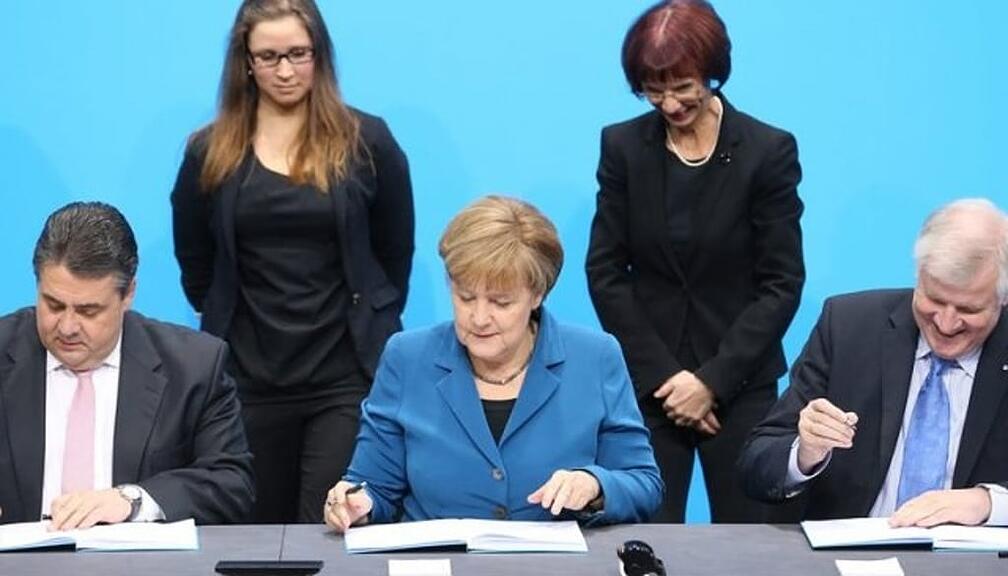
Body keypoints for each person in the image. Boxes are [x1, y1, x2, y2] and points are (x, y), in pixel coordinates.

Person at [170, 0, 414, 523]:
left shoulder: (367, 141)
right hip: (246, 379)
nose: (285, 71)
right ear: (246, 62)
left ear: (319, 54)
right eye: (269, 57)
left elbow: (394, 254)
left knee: (332, 528)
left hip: (344, 376)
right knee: (253, 533)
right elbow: (195, 260)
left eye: (298, 54)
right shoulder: (208, 152)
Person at [585, 0, 804, 523]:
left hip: (740, 383)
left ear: (713, 72)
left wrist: (711, 383)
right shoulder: (622, 146)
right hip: (651, 386)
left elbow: (781, 282)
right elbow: (606, 271)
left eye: (682, 87)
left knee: (751, 543)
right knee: (641, 537)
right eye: (652, 90)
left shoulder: (767, 151)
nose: (669, 103)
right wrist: (668, 381)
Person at [324, 196, 662, 531]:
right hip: (441, 557)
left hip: (551, 559)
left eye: (501, 302)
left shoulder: (595, 357)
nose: (479, 318)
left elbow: (643, 483)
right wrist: (356, 504)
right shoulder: (407, 357)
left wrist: (594, 485)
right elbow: (374, 485)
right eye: (466, 297)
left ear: (537, 295)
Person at [739, 198, 1008, 527]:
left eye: (968, 309)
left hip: (976, 555)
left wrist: (988, 503)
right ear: (918, 277)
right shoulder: (849, 327)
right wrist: (804, 453)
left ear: (1002, 299)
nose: (946, 323)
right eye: (934, 300)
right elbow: (757, 462)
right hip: (851, 551)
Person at [0, 202, 253, 529]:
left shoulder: (194, 367)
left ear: (128, 293)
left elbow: (230, 483)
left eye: (88, 311)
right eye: (54, 305)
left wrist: (133, 500)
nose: (67, 327)